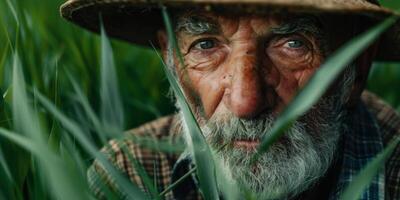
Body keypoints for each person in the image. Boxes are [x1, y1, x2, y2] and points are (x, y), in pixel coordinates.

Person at [61, 0, 400, 199]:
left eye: (294, 45)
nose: (245, 102)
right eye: (206, 45)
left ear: (357, 66)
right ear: (171, 61)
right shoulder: (130, 175)